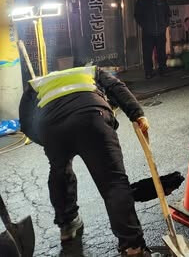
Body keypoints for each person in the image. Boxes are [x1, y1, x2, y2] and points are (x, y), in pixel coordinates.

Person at [19, 66, 153, 257]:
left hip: (52, 126)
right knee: (113, 182)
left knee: (59, 171)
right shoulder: (92, 71)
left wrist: (46, 141)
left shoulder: (36, 84)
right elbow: (116, 87)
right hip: (91, 116)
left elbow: (25, 122)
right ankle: (132, 247)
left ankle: (67, 225)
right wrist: (137, 113)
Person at [134, 0, 170, 79]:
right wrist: (145, 26)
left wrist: (164, 25)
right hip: (148, 32)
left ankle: (163, 70)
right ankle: (148, 72)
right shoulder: (141, 1)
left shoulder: (162, 0)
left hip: (160, 31)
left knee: (161, 52)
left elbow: (167, 14)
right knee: (147, 53)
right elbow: (137, 16)